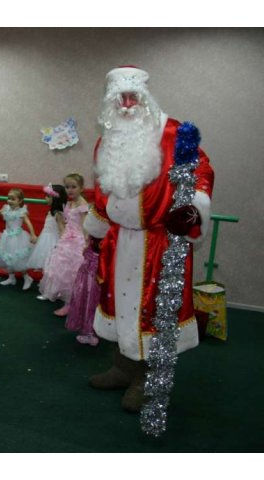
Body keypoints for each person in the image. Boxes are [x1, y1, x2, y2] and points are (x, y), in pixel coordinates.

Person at [83, 66, 214, 412]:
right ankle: (123, 367)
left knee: (152, 311)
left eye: (133, 97)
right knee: (118, 304)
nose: (126, 105)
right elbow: (102, 189)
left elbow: (200, 172)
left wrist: (194, 208)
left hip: (160, 240)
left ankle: (148, 378)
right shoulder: (106, 140)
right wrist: (95, 232)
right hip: (120, 239)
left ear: (145, 98)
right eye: (120, 99)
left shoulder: (176, 133)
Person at [38, 173, 89, 315]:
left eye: (73, 187)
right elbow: (67, 222)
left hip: (77, 241)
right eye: (67, 187)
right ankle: (68, 302)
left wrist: (86, 242)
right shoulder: (70, 202)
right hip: (67, 239)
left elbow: (85, 225)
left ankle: (73, 304)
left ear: (81, 188)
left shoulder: (82, 204)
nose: (70, 190)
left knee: (74, 272)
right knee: (63, 271)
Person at [0, 187, 37, 289]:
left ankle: (27, 278)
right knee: (7, 258)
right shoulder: (5, 209)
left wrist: (32, 234)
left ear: (20, 201)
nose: (9, 201)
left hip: (18, 238)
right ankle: (11, 278)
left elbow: (28, 223)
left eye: (13, 199)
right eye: (9, 198)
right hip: (6, 237)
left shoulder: (21, 212)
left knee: (18, 260)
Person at [26, 183, 66, 282]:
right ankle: (46, 286)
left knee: (50, 266)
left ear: (56, 199)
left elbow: (62, 230)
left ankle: (50, 287)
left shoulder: (58, 214)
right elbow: (46, 228)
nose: (45, 198)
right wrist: (39, 239)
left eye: (48, 196)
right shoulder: (51, 212)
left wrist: (62, 245)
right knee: (46, 266)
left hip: (53, 241)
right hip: (45, 239)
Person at [65, 237, 101, 346]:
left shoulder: (97, 241)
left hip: (92, 273)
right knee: (92, 299)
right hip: (95, 271)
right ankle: (92, 330)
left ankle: (89, 331)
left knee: (89, 299)